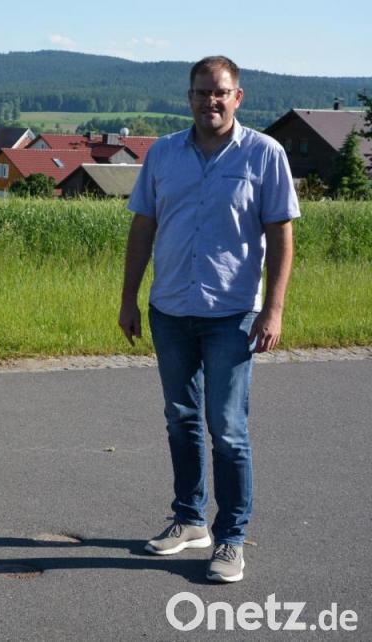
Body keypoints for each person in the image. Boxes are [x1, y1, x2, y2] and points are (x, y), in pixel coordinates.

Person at [119, 56, 298, 583]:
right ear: (189, 97)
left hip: (232, 314)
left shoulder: (265, 153)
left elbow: (281, 236)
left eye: (219, 92)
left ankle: (231, 538)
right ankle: (190, 519)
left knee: (228, 428)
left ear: (237, 97)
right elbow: (143, 227)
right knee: (181, 419)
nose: (210, 101)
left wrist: (274, 309)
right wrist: (129, 298)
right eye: (201, 92)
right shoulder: (163, 153)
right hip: (171, 308)